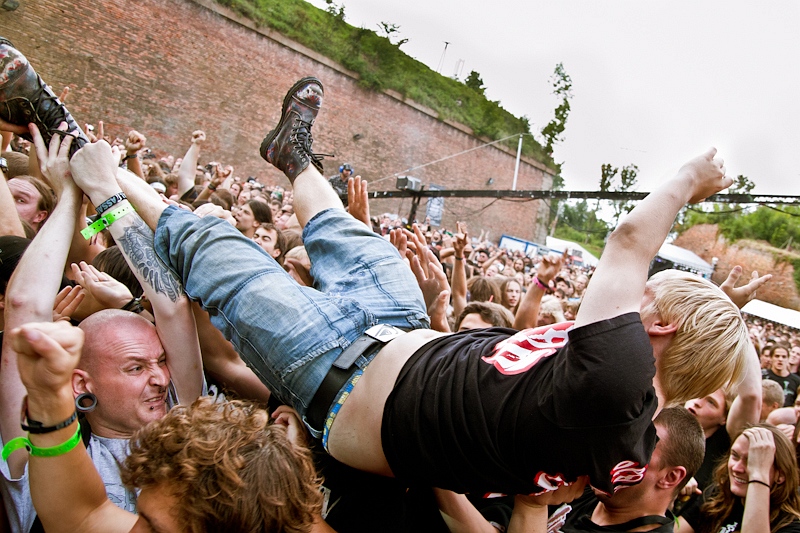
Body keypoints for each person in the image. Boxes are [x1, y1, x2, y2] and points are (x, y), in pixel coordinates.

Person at [58, 77, 751, 512]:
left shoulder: (622, 379)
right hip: (404, 335)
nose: (633, 307)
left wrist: (691, 178)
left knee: (220, 251)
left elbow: (629, 238)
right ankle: (292, 154)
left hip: (337, 376)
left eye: (646, 303)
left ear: (658, 326)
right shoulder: (621, 433)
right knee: (353, 241)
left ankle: (108, 178)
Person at [678, 424, 800, 533]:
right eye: (735, 456)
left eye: (751, 461)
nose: (736, 468)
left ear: (781, 475)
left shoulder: (791, 525)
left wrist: (757, 477)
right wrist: (670, 491)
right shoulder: (716, 497)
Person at [764, 342, 800, 407]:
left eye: (784, 357)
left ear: (788, 359)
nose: (780, 359)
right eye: (777, 356)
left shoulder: (797, 381)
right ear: (771, 358)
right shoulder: (762, 375)